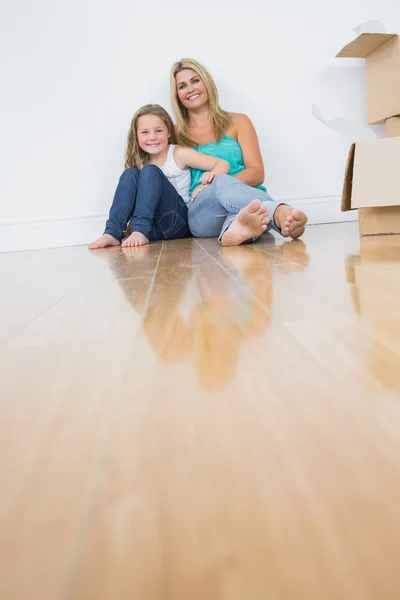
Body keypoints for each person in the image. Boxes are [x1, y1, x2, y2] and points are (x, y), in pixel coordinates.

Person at [169, 58, 308, 246]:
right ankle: (277, 213)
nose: (190, 89)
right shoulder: (175, 134)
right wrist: (216, 185)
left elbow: (257, 172)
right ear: (177, 95)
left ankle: (234, 230)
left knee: (244, 209)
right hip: (203, 211)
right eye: (182, 86)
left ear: (206, 82)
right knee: (223, 181)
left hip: (247, 202)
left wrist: (224, 184)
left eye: (195, 80)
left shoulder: (239, 121)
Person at [89, 104, 231, 249]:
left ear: (169, 132)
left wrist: (207, 182)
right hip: (151, 228)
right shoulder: (139, 162)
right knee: (129, 174)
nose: (152, 137)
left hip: (177, 223)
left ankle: (139, 231)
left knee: (151, 171)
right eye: (145, 132)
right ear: (136, 135)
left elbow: (222, 164)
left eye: (158, 130)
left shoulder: (178, 154)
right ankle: (112, 232)